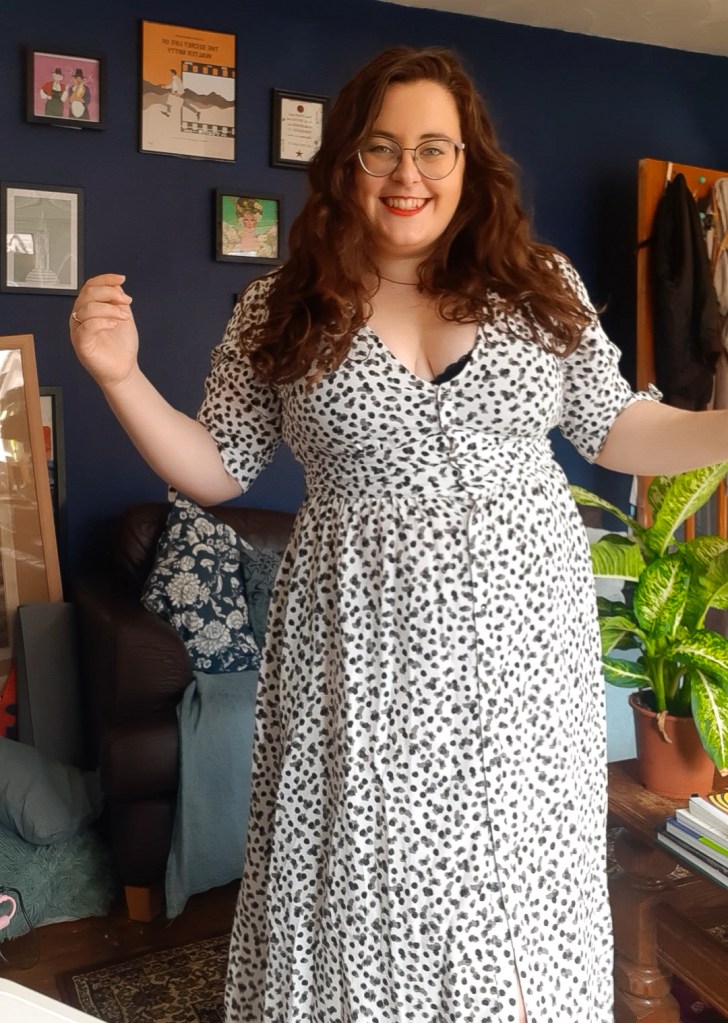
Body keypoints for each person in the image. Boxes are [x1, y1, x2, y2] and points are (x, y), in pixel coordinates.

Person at [69, 45, 728, 1023]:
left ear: (469, 162)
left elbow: (613, 427)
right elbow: (216, 467)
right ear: (343, 164)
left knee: (513, 869)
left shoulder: (535, 283)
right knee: (363, 872)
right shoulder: (282, 303)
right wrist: (119, 374)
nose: (407, 174)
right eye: (380, 149)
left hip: (521, 642)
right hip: (357, 641)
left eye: (433, 148)